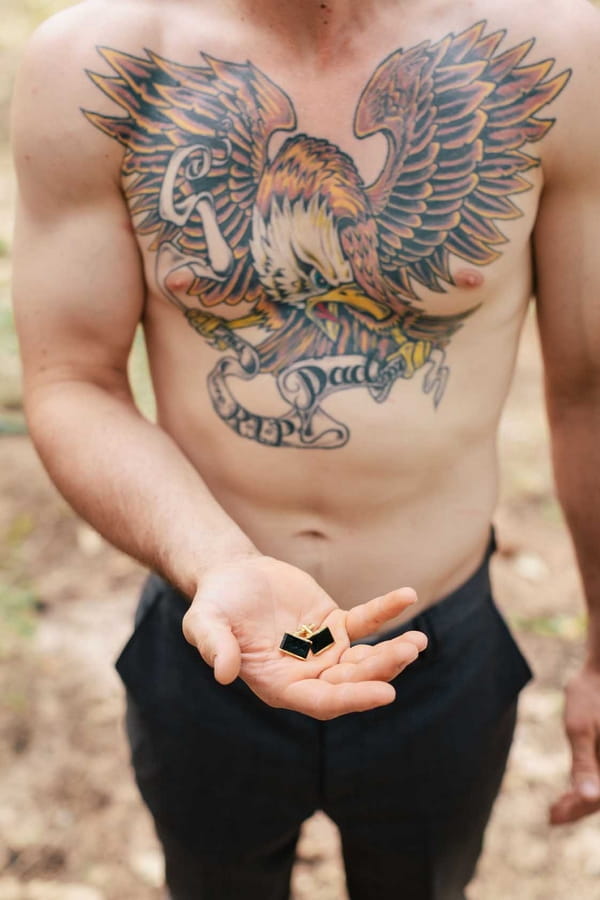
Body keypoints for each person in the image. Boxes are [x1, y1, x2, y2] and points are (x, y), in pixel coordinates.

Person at [10, 0, 600, 896]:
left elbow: (589, 390)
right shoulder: (97, 60)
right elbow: (72, 380)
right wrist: (217, 565)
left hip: (438, 647)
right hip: (207, 640)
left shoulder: (557, 50)